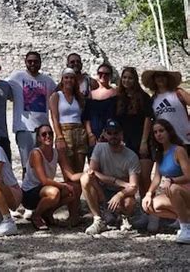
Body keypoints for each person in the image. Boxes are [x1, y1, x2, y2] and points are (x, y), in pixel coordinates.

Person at [80, 119, 140, 235]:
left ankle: (123, 217)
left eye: (116, 133)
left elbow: (134, 186)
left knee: (129, 202)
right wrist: (118, 181)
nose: (113, 136)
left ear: (122, 134)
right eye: (110, 133)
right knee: (85, 178)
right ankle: (98, 219)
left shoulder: (131, 156)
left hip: (122, 193)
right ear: (105, 134)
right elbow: (91, 172)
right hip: (103, 190)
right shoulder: (99, 148)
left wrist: (120, 194)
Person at [22, 124, 82, 230]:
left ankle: (48, 213)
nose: (48, 136)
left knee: (76, 188)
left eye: (50, 133)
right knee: (55, 192)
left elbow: (71, 176)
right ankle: (36, 216)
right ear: (39, 138)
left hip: (45, 189)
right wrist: (63, 186)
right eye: (44, 134)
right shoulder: (36, 153)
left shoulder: (57, 152)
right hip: (30, 193)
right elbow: (44, 180)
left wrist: (88, 173)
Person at [115, 67, 154, 228]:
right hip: (127, 143)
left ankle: (150, 213)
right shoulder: (119, 98)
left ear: (135, 79)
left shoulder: (143, 97)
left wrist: (144, 141)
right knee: (129, 179)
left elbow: (148, 119)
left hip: (142, 141)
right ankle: (131, 214)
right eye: (124, 78)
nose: (127, 81)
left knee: (145, 178)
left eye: (130, 78)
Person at [7, 51, 57, 176]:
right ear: (25, 62)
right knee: (27, 167)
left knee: (43, 166)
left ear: (40, 63)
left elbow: (60, 95)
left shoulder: (48, 81)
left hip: (43, 131)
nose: (33, 64)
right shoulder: (16, 77)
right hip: (24, 129)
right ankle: (27, 193)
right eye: (30, 61)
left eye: (35, 61)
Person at [142, 119, 190, 244]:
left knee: (173, 188)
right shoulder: (160, 153)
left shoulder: (179, 150)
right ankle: (185, 219)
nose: (158, 134)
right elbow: (157, 177)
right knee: (149, 206)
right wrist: (148, 194)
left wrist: (171, 180)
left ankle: (185, 228)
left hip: (185, 190)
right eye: (155, 132)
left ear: (169, 132)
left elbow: (188, 176)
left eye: (161, 131)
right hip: (172, 194)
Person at [141, 65, 190, 152]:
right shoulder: (152, 100)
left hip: (186, 140)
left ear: (168, 78)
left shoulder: (178, 92)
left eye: (163, 75)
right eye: (158, 76)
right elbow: (148, 120)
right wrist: (144, 141)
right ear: (154, 79)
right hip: (167, 144)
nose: (161, 78)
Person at [50, 68, 87, 173]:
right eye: (66, 77)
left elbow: (83, 117)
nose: (69, 80)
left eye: (71, 78)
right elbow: (54, 117)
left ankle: (79, 190)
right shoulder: (56, 96)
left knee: (79, 171)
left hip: (80, 132)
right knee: (68, 171)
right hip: (65, 131)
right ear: (62, 80)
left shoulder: (79, 97)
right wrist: (59, 136)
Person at [82, 62, 117, 152]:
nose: (103, 76)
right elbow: (87, 117)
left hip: (111, 135)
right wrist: (90, 134)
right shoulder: (91, 95)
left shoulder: (116, 93)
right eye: (100, 73)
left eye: (106, 74)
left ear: (110, 76)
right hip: (94, 136)